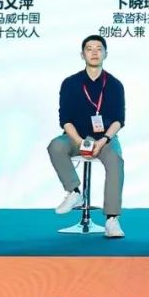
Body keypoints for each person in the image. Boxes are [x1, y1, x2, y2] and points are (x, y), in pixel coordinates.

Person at [49, 36, 127, 238]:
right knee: (56, 146)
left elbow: (119, 120)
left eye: (99, 49)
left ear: (105, 54)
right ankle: (74, 192)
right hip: (75, 137)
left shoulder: (115, 84)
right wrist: (79, 142)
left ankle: (112, 219)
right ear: (82, 54)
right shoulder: (70, 83)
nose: (94, 52)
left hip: (104, 139)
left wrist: (103, 140)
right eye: (89, 49)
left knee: (115, 160)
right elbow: (65, 119)